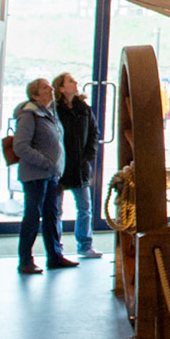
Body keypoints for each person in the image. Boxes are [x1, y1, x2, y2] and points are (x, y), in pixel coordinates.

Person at [12, 78, 73, 273]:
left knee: (52, 215)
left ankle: (54, 256)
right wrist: (45, 162)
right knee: (32, 215)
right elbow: (20, 146)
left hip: (51, 174)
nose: (51, 89)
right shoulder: (29, 115)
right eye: (45, 87)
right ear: (35, 95)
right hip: (35, 175)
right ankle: (25, 260)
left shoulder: (49, 113)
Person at [52, 72, 102, 259]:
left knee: (85, 207)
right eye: (70, 81)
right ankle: (56, 248)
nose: (75, 83)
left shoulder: (84, 108)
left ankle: (85, 245)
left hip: (80, 165)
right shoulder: (55, 109)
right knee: (56, 209)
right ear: (61, 88)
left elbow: (94, 133)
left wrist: (89, 154)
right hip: (60, 165)